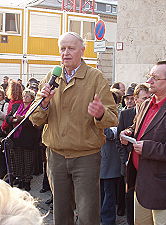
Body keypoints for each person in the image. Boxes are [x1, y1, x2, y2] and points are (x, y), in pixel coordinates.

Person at [28, 32, 118, 225]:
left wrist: (100, 113)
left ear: (82, 51)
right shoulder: (51, 77)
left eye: (71, 48)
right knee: (61, 214)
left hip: (86, 157)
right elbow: (35, 118)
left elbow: (113, 118)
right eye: (62, 49)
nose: (65, 53)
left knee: (87, 215)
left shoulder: (95, 78)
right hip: (56, 157)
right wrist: (43, 104)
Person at [120, 61, 166, 225]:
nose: (149, 82)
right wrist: (128, 132)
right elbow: (137, 126)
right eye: (149, 76)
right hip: (140, 183)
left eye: (155, 78)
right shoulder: (146, 103)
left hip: (162, 190)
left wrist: (148, 148)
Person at [117, 83, 151, 225]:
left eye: (149, 97)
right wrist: (125, 160)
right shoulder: (125, 114)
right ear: (136, 99)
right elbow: (119, 142)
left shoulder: (151, 112)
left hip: (147, 164)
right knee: (130, 197)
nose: (148, 101)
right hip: (129, 164)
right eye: (144, 98)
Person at [6, 89, 38, 191]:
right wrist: (14, 119)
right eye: (24, 96)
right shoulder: (16, 106)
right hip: (16, 138)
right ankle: (19, 179)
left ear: (32, 98)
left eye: (27, 96)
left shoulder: (33, 108)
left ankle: (27, 181)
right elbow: (8, 117)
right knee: (17, 160)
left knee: (28, 161)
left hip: (28, 139)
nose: (25, 98)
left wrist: (23, 119)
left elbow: (36, 123)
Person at [100, 88, 122, 225]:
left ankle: (108, 220)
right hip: (98, 160)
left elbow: (110, 133)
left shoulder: (119, 115)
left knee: (109, 193)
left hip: (110, 162)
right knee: (99, 192)